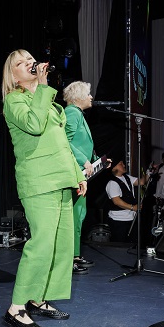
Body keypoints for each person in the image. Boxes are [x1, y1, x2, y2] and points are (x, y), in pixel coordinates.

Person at [1, 49, 87, 327]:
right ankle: (16, 307)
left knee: (60, 246)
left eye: (30, 60)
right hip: (38, 181)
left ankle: (38, 297)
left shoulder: (47, 100)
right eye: (21, 63)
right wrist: (42, 86)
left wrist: (77, 175)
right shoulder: (14, 100)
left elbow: (61, 142)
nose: (29, 64)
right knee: (41, 244)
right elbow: (35, 126)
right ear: (13, 75)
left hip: (61, 178)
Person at [63, 80, 99, 275]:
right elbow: (64, 141)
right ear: (78, 98)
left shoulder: (77, 114)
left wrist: (96, 161)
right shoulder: (72, 113)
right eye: (88, 94)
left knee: (78, 216)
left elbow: (80, 143)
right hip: (73, 174)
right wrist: (83, 160)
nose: (91, 97)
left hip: (80, 173)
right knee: (73, 217)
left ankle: (75, 256)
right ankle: (69, 259)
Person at [106, 160, 145, 244]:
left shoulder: (127, 177)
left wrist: (148, 173)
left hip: (131, 218)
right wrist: (133, 207)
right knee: (120, 245)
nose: (124, 165)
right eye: (121, 164)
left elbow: (141, 182)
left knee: (133, 244)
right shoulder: (112, 183)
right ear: (114, 168)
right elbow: (116, 201)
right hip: (119, 220)